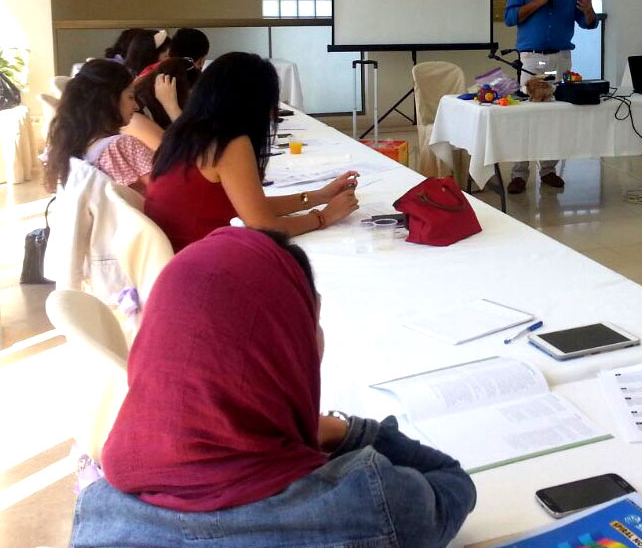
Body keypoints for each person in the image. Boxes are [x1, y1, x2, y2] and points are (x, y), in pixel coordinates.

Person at [70, 226, 476, 547]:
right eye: (307, 321)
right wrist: (349, 430)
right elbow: (452, 482)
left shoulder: (100, 515)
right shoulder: (366, 500)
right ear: (280, 350)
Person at [144, 52, 358, 251]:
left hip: (179, 258)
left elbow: (252, 206)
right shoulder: (227, 142)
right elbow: (264, 227)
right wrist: (324, 217)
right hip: (202, 260)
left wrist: (320, 196)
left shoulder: (184, 132)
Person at [502, 0, 597, 193]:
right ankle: (519, 173)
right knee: (526, 115)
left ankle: (548, 170)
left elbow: (588, 23)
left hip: (561, 57)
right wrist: (540, 0)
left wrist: (589, 10)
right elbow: (510, 18)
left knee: (555, 115)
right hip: (531, 58)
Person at [43, 59, 155, 194]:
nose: (136, 106)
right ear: (109, 99)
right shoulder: (122, 146)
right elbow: (168, 190)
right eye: (130, 97)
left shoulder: (62, 146)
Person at [122, 57, 200, 151]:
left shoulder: (156, 111)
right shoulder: (133, 116)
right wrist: (172, 106)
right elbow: (187, 151)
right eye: (188, 96)